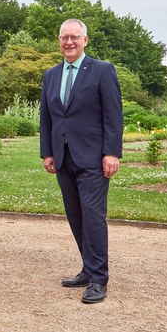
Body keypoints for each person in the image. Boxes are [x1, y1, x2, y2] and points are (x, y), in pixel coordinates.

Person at [40, 18, 123, 304]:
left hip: (94, 158)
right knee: (76, 216)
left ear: (85, 40)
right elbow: (47, 118)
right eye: (64, 37)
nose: (69, 42)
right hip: (63, 157)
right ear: (59, 40)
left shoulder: (102, 71)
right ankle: (88, 269)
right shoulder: (51, 75)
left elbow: (113, 115)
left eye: (75, 37)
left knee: (93, 217)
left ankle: (99, 279)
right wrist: (47, 152)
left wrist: (111, 152)